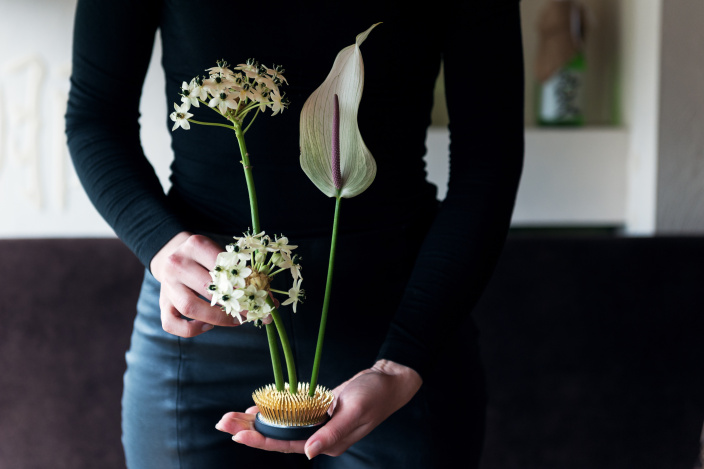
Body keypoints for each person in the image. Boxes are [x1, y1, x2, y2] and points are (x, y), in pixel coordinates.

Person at [66, 0, 524, 467]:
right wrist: (161, 243)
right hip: (207, 318)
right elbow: (95, 120)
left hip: (406, 321)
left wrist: (404, 359)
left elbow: (491, 154)